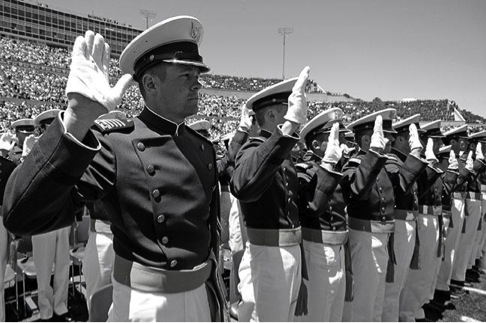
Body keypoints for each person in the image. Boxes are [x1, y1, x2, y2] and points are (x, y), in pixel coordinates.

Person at [3, 16, 225, 322]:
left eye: (197, 74)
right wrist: (77, 121)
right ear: (150, 83)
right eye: (186, 74)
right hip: (145, 305)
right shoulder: (117, 144)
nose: (197, 83)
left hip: (201, 297)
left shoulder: (202, 147)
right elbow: (21, 214)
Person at [230, 67, 310, 321]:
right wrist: (287, 131)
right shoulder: (253, 149)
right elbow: (243, 185)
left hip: (288, 253)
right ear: (274, 114)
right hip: (266, 257)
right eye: (288, 110)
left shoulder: (281, 152)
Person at [340, 108, 399, 322]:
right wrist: (373, 156)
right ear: (367, 139)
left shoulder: (379, 165)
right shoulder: (354, 165)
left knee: (376, 299)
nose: (389, 142)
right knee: (363, 301)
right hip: (364, 238)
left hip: (380, 238)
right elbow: (358, 191)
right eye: (385, 137)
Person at [296, 108, 350, 321]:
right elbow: (312, 205)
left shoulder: (339, 168)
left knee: (334, 312)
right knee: (319, 311)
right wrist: (328, 165)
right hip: (317, 248)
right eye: (333, 138)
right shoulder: (305, 170)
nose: (339, 142)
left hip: (338, 248)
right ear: (316, 145)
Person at [381, 114, 429, 322]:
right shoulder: (393, 162)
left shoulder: (403, 162)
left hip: (407, 223)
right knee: (392, 288)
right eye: (412, 137)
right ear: (401, 140)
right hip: (399, 226)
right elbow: (401, 190)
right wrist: (416, 158)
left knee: (401, 283)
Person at [29, 109, 73, 322]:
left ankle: (60, 306)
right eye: (48, 126)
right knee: (43, 269)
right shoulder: (33, 152)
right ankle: (46, 310)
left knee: (63, 266)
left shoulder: (67, 147)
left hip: (62, 217)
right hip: (42, 220)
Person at [81, 111, 125, 311]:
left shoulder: (128, 159)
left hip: (126, 239)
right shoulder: (91, 162)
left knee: (124, 299)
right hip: (102, 237)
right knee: (97, 298)